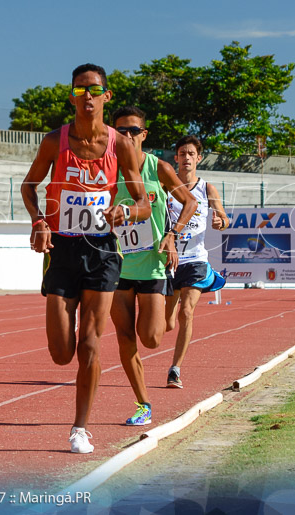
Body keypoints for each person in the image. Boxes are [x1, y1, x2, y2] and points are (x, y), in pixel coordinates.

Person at [20, 63, 151, 454]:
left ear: (105, 96)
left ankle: (80, 428)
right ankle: (72, 362)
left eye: (94, 90)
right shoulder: (54, 142)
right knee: (62, 353)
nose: (87, 96)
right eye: (80, 90)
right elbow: (29, 185)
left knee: (91, 345)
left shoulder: (121, 145)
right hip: (62, 247)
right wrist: (39, 220)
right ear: (72, 95)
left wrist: (126, 212)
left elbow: (144, 201)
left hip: (101, 251)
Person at [110, 106, 197, 427]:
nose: (128, 136)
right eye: (121, 130)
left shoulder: (157, 168)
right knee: (124, 337)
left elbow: (190, 202)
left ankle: (170, 308)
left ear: (144, 135)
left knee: (152, 339)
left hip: (153, 266)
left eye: (134, 130)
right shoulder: (108, 170)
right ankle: (143, 403)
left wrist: (172, 235)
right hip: (117, 266)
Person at [164, 135, 229, 390]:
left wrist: (220, 221)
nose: (187, 157)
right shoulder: (165, 186)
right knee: (165, 324)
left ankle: (175, 369)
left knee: (187, 311)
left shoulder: (207, 189)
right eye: (183, 153)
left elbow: (223, 217)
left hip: (195, 259)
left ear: (198, 158)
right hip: (169, 260)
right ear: (176, 158)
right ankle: (166, 327)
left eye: (192, 153)